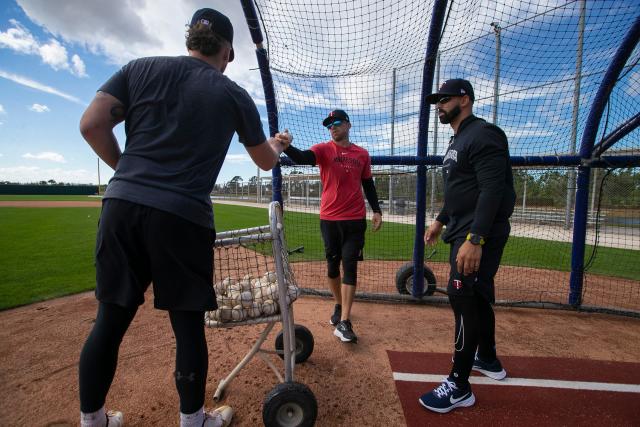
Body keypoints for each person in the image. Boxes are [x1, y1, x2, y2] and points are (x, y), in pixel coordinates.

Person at [77, 8, 290, 427]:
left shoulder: (138, 69)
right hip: (183, 217)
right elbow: (264, 161)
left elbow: (91, 124)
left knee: (109, 321)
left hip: (123, 207)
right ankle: (194, 420)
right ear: (228, 53)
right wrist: (278, 144)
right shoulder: (232, 93)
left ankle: (94, 421)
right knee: (187, 327)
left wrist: (127, 172)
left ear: (189, 40)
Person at [418, 79, 516, 413]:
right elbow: (460, 190)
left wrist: (476, 239)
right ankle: (487, 358)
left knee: (462, 299)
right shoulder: (458, 139)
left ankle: (459, 386)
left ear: (465, 99)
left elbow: (492, 190)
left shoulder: (485, 134)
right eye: (436, 101)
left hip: (477, 234)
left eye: (444, 100)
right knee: (475, 296)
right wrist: (440, 220)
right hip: (462, 229)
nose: (439, 106)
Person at [281, 109, 382, 344]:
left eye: (336, 122)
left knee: (350, 265)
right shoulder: (324, 149)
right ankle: (338, 303)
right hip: (329, 219)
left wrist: (376, 210)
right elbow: (304, 158)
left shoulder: (362, 154)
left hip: (355, 220)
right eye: (329, 124)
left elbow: (368, 184)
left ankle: (345, 321)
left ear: (348, 125)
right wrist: (287, 147)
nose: (332, 127)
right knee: (332, 267)